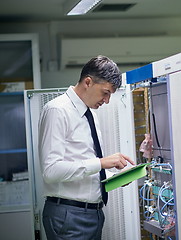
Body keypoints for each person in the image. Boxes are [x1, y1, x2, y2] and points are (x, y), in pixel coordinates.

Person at [38, 55, 135, 240]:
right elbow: (50, 171)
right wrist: (101, 163)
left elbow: (83, 168)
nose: (106, 101)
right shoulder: (57, 110)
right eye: (105, 93)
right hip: (69, 216)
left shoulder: (88, 114)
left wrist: (116, 177)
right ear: (88, 82)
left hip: (93, 214)